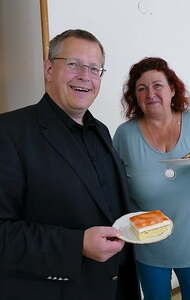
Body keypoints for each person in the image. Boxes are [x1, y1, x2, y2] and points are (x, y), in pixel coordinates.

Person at [0, 29, 141, 300]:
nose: (85, 76)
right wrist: (76, 245)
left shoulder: (101, 130)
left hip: (117, 287)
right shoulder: (9, 132)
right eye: (74, 64)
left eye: (94, 68)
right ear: (49, 68)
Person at [113, 57, 190, 300]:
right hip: (149, 247)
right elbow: (114, 187)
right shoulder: (125, 135)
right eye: (141, 88)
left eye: (157, 85)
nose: (150, 94)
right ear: (134, 96)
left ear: (172, 89)